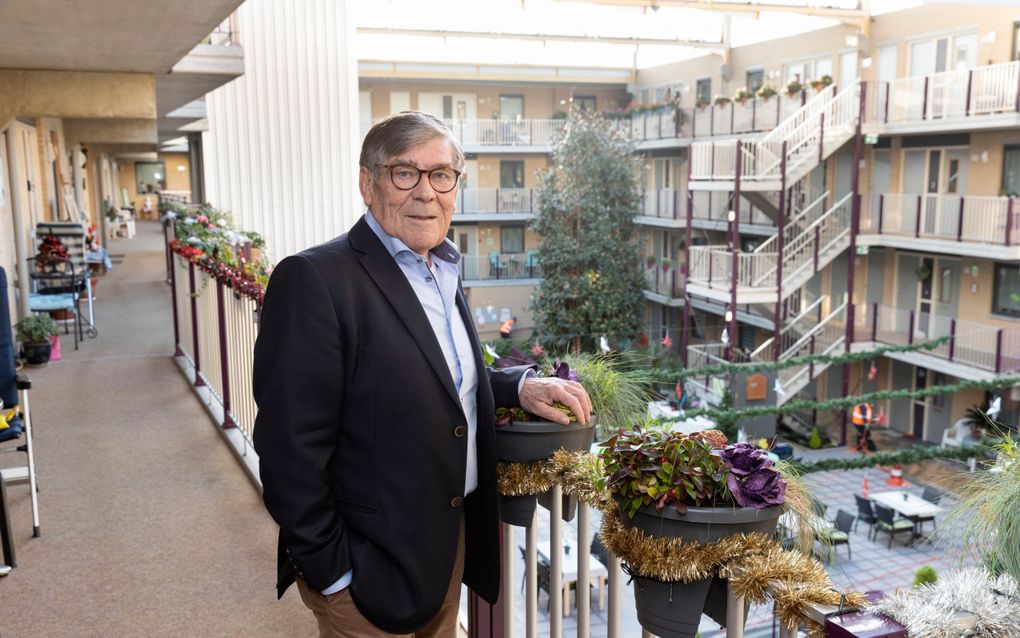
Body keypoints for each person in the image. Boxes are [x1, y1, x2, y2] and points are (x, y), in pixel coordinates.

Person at [252, 111, 592, 638]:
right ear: (368, 183)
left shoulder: (441, 265)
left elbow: (434, 367)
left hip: (444, 544)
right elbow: (287, 448)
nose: (425, 192)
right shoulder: (315, 278)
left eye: (441, 175)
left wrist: (518, 385)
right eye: (404, 173)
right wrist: (333, 573)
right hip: (367, 557)